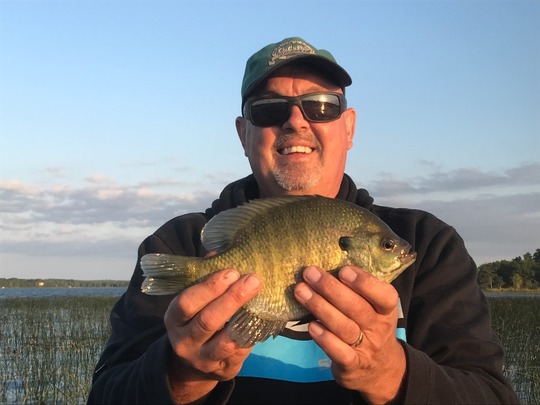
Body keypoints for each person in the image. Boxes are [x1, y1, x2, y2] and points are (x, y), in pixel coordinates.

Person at [88, 37, 518, 404]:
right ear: (243, 133)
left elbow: (492, 395)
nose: (296, 121)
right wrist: (180, 374)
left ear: (349, 128)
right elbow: (106, 394)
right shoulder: (179, 244)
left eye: (321, 106)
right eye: (269, 109)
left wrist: (390, 374)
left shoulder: (430, 245)